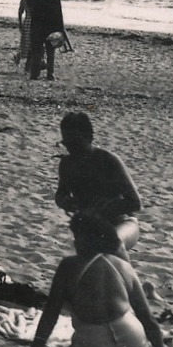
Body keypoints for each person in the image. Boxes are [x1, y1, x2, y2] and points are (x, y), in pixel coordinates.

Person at [26, 212, 167, 347]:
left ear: (88, 240)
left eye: (77, 237)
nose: (75, 242)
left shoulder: (69, 265)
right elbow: (147, 318)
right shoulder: (123, 266)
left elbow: (50, 314)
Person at [55, 110, 142, 256]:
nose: (71, 149)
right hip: (90, 227)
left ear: (90, 138)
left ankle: (129, 278)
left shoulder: (108, 160)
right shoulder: (67, 163)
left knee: (112, 244)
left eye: (76, 143)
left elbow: (135, 203)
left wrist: (102, 209)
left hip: (122, 223)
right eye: (67, 143)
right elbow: (60, 194)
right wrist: (66, 201)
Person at [27, 0, 66, 80]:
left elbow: (30, 7)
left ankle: (35, 74)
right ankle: (50, 74)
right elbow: (58, 11)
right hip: (50, 25)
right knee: (50, 50)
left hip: (37, 25)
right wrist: (60, 28)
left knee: (36, 50)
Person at [14, 0, 35, 71]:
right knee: (29, 45)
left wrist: (20, 23)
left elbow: (20, 12)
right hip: (33, 22)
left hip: (27, 22)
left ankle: (22, 60)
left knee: (26, 45)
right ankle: (26, 64)